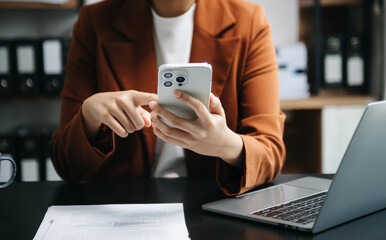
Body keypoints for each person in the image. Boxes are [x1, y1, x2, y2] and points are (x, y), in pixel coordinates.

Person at [51, 0, 286, 196]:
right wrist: (89, 117)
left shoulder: (249, 21)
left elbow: (270, 152)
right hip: (123, 209)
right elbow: (66, 164)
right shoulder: (94, 21)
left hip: (213, 207)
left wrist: (225, 145)